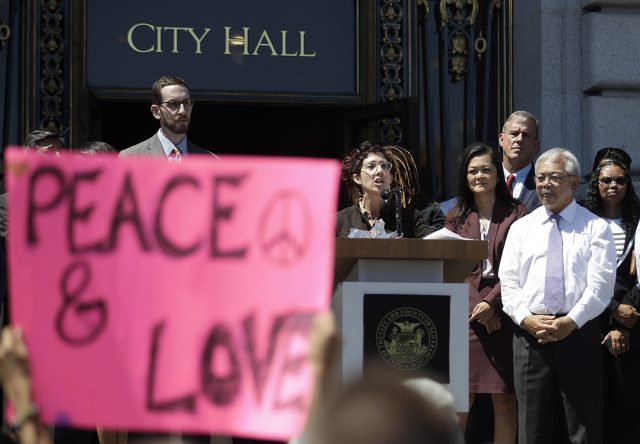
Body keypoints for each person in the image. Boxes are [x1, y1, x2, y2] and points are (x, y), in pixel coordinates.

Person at [500, 148, 616, 444]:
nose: (545, 184)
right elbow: (509, 283)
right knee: (532, 428)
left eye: (554, 177)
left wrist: (571, 321)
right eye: (540, 178)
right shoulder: (521, 228)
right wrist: (526, 319)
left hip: (578, 333)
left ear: (574, 183)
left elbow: (601, 287)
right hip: (530, 337)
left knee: (583, 427)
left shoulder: (595, 228)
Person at [444, 143, 526, 443]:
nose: (479, 175)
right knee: (460, 401)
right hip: (466, 317)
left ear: (498, 174)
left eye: (486, 169)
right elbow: (451, 269)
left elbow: (521, 267)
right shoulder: (454, 217)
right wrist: (478, 307)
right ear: (465, 177)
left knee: (504, 399)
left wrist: (492, 304)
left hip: (504, 316)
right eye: (472, 170)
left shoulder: (518, 214)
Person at [582, 147, 640, 443]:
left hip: (633, 322)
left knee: (628, 403)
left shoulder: (639, 220)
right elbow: (576, 274)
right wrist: (613, 309)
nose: (613, 185)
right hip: (590, 323)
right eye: (606, 180)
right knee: (594, 403)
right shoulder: (580, 220)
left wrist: (623, 320)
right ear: (595, 182)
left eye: (620, 180)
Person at [336, 142, 444, 238]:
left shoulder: (410, 218)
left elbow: (436, 246)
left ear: (390, 178)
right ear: (357, 178)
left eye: (384, 166)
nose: (380, 171)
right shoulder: (339, 221)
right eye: (371, 166)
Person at [119, 75, 217, 159]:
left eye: (186, 103)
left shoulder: (210, 160)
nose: (182, 111)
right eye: (173, 104)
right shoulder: (131, 157)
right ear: (156, 112)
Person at [499, 111, 541, 211]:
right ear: (501, 140)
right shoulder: (487, 179)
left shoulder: (543, 183)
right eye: (514, 134)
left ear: (535, 146)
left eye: (526, 135)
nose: (519, 139)